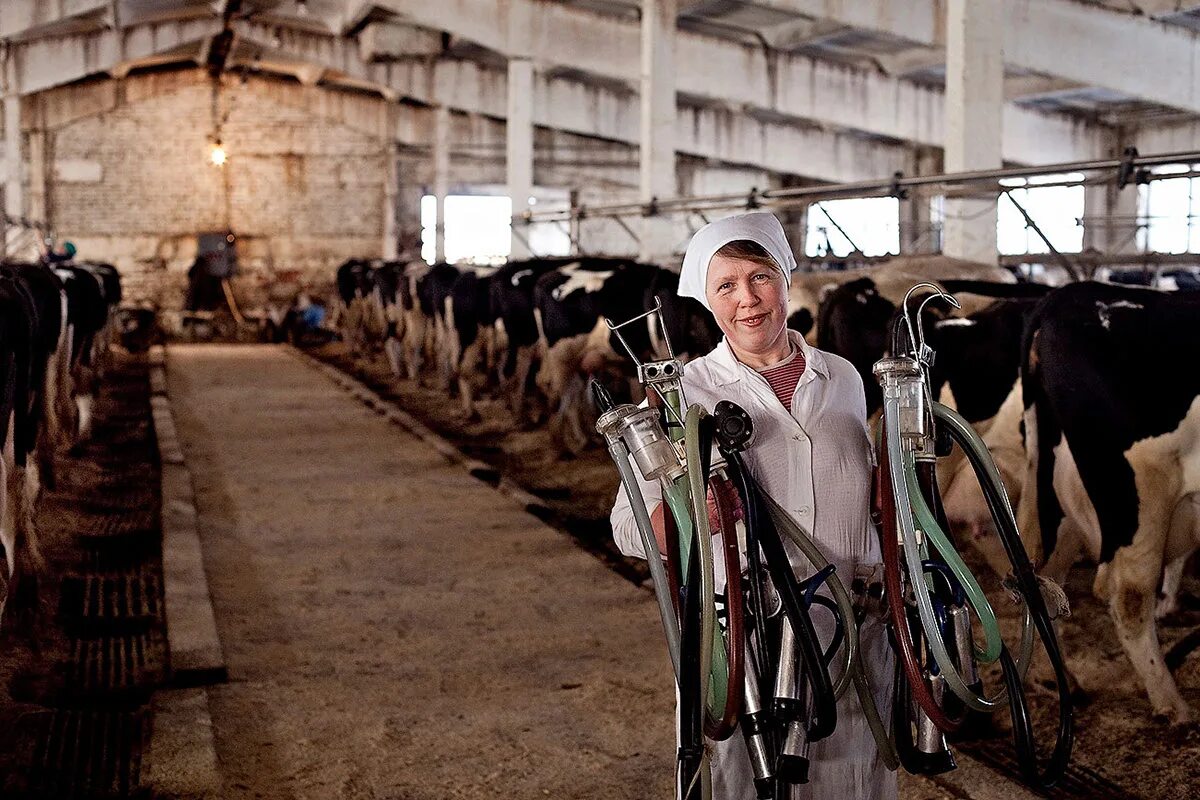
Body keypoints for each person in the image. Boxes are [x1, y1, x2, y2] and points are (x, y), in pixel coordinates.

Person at [609, 212, 895, 800]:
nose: (748, 300)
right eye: (727, 286)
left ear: (787, 278)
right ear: (707, 302)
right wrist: (695, 519)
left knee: (856, 781)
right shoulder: (683, 393)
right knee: (753, 785)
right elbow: (628, 526)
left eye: (760, 276)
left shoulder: (841, 375)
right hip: (748, 637)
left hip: (859, 626)